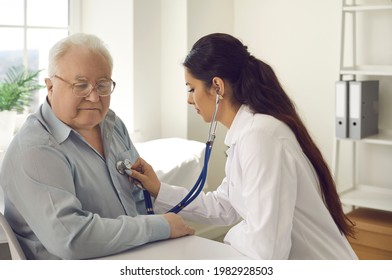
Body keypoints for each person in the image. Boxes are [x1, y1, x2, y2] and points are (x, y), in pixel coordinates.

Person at [129, 33, 358, 260]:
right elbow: (225, 206)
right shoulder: (248, 133)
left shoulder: (260, 137)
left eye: (191, 88)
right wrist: (158, 189)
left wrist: (231, 236)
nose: (189, 99)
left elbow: (267, 249)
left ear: (217, 86)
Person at [0, 33, 194, 260]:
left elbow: (138, 198)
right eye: (81, 85)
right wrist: (161, 226)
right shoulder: (35, 149)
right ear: (50, 86)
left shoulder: (110, 123)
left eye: (102, 84)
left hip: (133, 257)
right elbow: (72, 239)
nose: (94, 97)